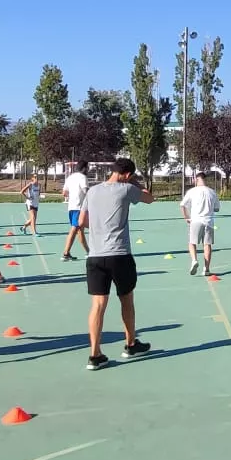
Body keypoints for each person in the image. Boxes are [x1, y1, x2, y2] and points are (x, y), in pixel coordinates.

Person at [78, 157, 156, 370]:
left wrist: (99, 228)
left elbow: (82, 221)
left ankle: (95, 355)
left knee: (97, 305)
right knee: (126, 300)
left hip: (95, 255)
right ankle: (130, 344)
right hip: (119, 254)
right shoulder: (126, 189)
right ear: (128, 175)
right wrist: (136, 183)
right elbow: (150, 198)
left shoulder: (92, 191)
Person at [180, 171, 220, 275]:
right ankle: (206, 269)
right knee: (207, 245)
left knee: (192, 242)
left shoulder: (192, 191)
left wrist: (186, 217)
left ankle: (194, 260)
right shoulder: (212, 192)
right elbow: (217, 209)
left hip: (196, 220)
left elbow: (182, 205)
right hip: (209, 222)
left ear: (197, 179)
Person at [61, 161, 90, 261]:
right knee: (75, 229)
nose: (88, 170)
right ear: (84, 168)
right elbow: (86, 191)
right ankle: (66, 253)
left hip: (71, 207)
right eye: (87, 168)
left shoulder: (70, 177)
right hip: (79, 207)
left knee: (79, 230)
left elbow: (64, 193)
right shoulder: (83, 177)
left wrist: (73, 196)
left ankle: (89, 252)